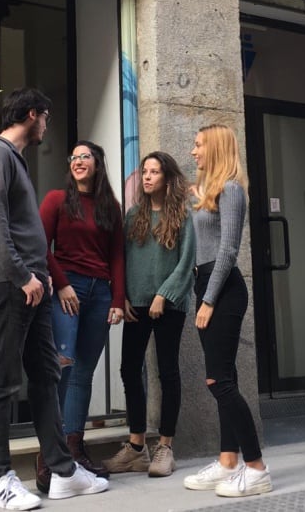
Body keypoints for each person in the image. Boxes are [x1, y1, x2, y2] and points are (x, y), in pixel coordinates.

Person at [0, 88, 109, 510]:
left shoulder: (16, 161)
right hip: (12, 285)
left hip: (33, 287)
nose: (47, 125)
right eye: (46, 117)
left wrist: (42, 277)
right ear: (32, 114)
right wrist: (23, 276)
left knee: (46, 374)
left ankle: (63, 471)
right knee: (1, 381)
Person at [182, 124, 272, 498]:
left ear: (216, 148)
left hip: (223, 290)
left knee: (219, 381)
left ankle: (256, 468)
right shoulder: (214, 192)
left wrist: (208, 301)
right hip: (207, 284)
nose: (194, 152)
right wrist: (201, 198)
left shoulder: (233, 190)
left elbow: (229, 250)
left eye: (199, 145)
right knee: (224, 377)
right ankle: (227, 461)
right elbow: (209, 238)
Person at [36, 140, 125, 488]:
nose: (77, 161)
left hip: (100, 293)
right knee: (62, 365)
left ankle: (74, 448)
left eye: (84, 156)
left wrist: (118, 299)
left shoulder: (110, 207)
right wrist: (60, 284)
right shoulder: (56, 200)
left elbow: (117, 255)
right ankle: (49, 453)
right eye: (73, 156)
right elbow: (39, 245)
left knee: (84, 372)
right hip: (67, 289)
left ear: (98, 164)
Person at [103, 152, 196, 478]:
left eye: (154, 172)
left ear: (167, 178)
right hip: (136, 304)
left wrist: (163, 295)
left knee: (167, 372)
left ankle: (165, 448)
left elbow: (187, 263)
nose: (147, 177)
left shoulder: (182, 216)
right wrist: (124, 295)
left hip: (168, 306)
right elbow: (122, 259)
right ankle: (136, 447)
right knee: (130, 369)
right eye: (145, 171)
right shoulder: (133, 216)